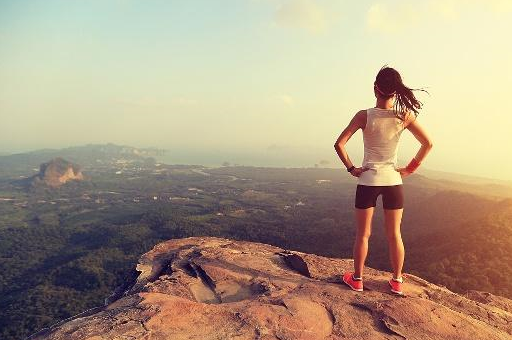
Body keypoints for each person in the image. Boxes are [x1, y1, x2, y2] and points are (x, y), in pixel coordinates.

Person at [333, 65, 433, 295]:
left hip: (367, 180)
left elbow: (339, 144)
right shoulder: (404, 116)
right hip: (393, 182)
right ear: (396, 92)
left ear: (374, 88)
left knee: (363, 234)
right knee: (394, 234)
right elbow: (428, 144)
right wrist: (410, 168)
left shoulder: (363, 115)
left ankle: (357, 279)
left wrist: (352, 168)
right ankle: (397, 281)